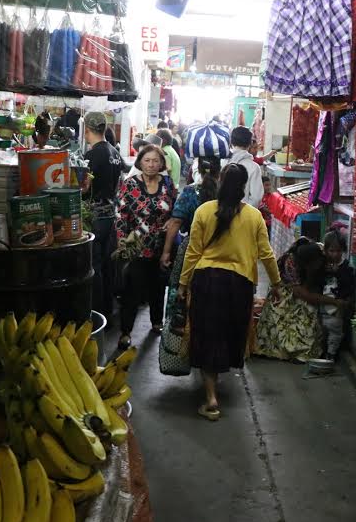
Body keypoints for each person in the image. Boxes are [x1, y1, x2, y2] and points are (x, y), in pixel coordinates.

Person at [178, 165, 281, 421]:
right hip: (240, 285)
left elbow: (193, 251)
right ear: (244, 186)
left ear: (220, 182)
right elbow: (266, 254)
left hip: (207, 280)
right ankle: (215, 387)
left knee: (206, 335)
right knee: (226, 334)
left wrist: (182, 284)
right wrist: (277, 284)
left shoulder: (204, 211)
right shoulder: (254, 216)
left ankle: (211, 397)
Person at [115, 144, 178, 349]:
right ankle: (126, 331)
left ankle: (157, 322)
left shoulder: (167, 184)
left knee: (158, 286)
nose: (151, 165)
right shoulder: (130, 184)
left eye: (155, 161)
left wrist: (173, 221)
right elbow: (120, 215)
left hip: (161, 244)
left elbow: (177, 210)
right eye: (147, 160)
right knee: (132, 290)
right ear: (140, 162)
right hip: (136, 244)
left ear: (161, 164)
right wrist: (122, 240)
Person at [255, 238, 335, 363]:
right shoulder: (290, 262)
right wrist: (334, 302)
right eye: (312, 265)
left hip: (302, 288)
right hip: (285, 291)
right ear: (305, 264)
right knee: (293, 315)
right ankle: (293, 350)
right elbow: (303, 294)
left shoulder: (319, 252)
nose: (316, 266)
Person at [160, 156, 222, 311]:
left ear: (197, 170)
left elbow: (175, 223)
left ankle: (179, 329)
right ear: (219, 172)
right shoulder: (225, 194)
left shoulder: (189, 192)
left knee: (182, 288)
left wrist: (166, 252)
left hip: (191, 248)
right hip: (220, 249)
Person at [81, 112, 124, 316]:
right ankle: (107, 310)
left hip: (95, 216)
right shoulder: (115, 153)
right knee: (108, 266)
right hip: (110, 215)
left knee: (95, 265)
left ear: (87, 130)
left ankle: (95, 312)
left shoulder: (92, 155)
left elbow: (84, 187)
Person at [318, 225, 355, 361]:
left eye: (338, 251)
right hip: (321, 306)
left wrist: (337, 273)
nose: (335, 254)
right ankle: (321, 352)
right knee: (321, 331)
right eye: (332, 251)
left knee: (335, 332)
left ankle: (331, 355)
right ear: (326, 250)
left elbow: (349, 286)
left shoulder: (345, 268)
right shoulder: (321, 265)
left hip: (336, 308)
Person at [226, 126, 263, 208]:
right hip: (243, 215)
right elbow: (256, 198)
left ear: (231, 142)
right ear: (250, 144)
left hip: (221, 213)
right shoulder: (254, 167)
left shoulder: (223, 162)